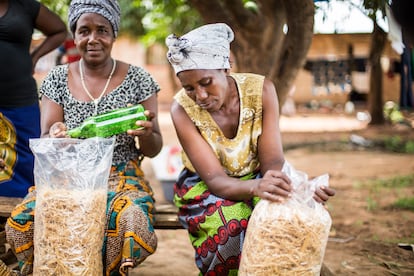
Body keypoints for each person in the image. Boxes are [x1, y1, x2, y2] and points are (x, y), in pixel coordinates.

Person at [6, 0, 163, 275]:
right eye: (84, 30)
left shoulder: (140, 79)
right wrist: (57, 136)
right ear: (74, 35)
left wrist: (147, 134)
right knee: (24, 221)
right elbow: (47, 136)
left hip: (122, 176)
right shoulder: (56, 78)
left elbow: (154, 149)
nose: (93, 39)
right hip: (67, 177)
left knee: (129, 218)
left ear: (113, 33)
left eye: (102, 30)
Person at [165, 23, 336, 275]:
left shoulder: (262, 90)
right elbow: (216, 180)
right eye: (189, 88)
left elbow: (273, 161)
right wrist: (256, 187)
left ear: (226, 67)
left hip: (258, 174)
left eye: (206, 82)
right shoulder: (181, 110)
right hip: (204, 184)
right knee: (235, 222)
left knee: (286, 217)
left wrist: (295, 189)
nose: (199, 96)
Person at [0, 0, 67, 198]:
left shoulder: (26, 6)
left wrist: (35, 56)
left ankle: (22, 222)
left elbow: (59, 30)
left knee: (28, 162)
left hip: (21, 101)